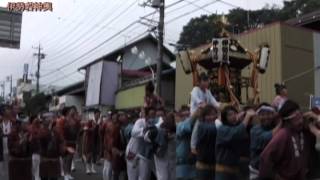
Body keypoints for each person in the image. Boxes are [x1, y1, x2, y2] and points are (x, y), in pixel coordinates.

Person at [259, 100, 308, 180]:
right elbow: (265, 159)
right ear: (287, 121)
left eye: (301, 117)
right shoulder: (283, 134)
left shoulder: (302, 132)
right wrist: (276, 177)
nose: (300, 121)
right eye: (296, 119)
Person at [215, 106, 255, 180]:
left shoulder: (236, 126)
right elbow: (237, 133)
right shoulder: (222, 129)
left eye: (235, 114)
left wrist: (245, 117)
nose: (233, 116)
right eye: (230, 115)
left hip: (236, 169)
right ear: (224, 117)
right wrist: (247, 117)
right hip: (223, 171)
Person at [249, 103, 281, 180]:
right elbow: (267, 138)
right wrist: (281, 123)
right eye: (262, 114)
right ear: (258, 116)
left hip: (273, 173)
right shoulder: (255, 130)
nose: (266, 117)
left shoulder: (275, 127)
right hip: (257, 173)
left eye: (269, 114)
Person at [128, 107, 157, 180]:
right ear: (146, 116)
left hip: (145, 155)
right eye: (151, 115)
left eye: (154, 115)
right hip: (133, 152)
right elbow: (133, 132)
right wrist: (145, 131)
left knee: (144, 177)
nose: (153, 117)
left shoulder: (155, 124)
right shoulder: (140, 121)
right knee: (132, 177)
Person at [192, 105, 218, 180]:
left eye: (213, 114)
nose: (212, 117)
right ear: (203, 116)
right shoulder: (201, 126)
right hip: (203, 166)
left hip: (215, 166)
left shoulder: (217, 126)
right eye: (208, 115)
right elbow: (211, 129)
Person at [153, 112, 176, 180]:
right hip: (160, 154)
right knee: (163, 177)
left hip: (170, 156)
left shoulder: (174, 127)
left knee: (170, 176)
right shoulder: (160, 128)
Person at [176, 106, 196, 180]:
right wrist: (194, 116)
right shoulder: (179, 125)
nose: (186, 117)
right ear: (179, 117)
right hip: (182, 164)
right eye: (184, 115)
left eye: (188, 115)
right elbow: (184, 128)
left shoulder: (196, 124)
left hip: (194, 163)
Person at [62, 106, 80, 180]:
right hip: (65, 141)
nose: (73, 112)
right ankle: (65, 174)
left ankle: (68, 173)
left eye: (74, 111)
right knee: (65, 158)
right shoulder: (64, 119)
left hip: (73, 141)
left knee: (70, 158)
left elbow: (78, 130)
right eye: (72, 111)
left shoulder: (75, 120)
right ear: (69, 112)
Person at [0, 105, 13, 180]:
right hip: (2, 145)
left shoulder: (11, 123)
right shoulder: (1, 124)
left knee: (9, 165)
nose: (7, 113)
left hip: (9, 145)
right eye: (5, 111)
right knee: (2, 166)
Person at [28, 115, 42, 180]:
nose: (37, 120)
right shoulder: (30, 127)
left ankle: (37, 176)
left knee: (38, 162)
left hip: (38, 147)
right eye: (35, 119)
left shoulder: (39, 127)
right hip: (32, 148)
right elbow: (31, 136)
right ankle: (35, 176)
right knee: (34, 163)